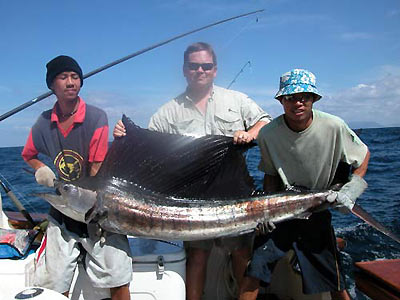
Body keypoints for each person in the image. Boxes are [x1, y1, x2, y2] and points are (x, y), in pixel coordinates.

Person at [113, 42, 272, 300]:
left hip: (233, 191)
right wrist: (124, 134)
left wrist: (250, 133)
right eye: (194, 66)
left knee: (242, 253)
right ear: (185, 70)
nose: (200, 70)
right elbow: (148, 146)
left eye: (206, 66)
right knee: (197, 257)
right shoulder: (169, 111)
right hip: (193, 196)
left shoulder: (237, 100)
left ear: (215, 70)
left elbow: (265, 123)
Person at [239, 69, 370, 300]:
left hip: (316, 209)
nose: (297, 103)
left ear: (313, 99)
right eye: (290, 98)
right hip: (281, 212)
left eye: (304, 97)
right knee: (254, 270)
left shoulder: (334, 125)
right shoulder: (268, 133)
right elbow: (270, 175)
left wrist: (353, 188)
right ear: (281, 100)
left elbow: (363, 156)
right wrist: (268, 213)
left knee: (335, 281)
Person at [22, 55, 132, 300]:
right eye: (63, 77)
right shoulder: (42, 122)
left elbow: (95, 169)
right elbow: (28, 154)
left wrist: (93, 212)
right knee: (53, 284)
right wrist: (41, 168)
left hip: (98, 210)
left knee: (118, 279)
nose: (70, 82)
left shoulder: (95, 117)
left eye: (75, 77)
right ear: (52, 85)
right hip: (64, 213)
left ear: (81, 83)